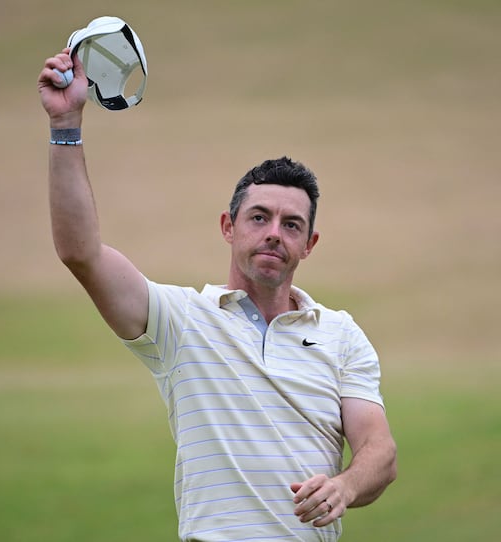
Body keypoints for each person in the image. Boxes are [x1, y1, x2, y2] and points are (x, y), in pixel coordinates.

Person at [37, 49, 397, 542]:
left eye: (291, 225)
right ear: (229, 227)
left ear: (308, 245)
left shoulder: (340, 333)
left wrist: (345, 485)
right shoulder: (180, 320)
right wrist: (66, 126)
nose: (274, 233)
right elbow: (81, 253)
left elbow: (379, 450)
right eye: (259, 217)